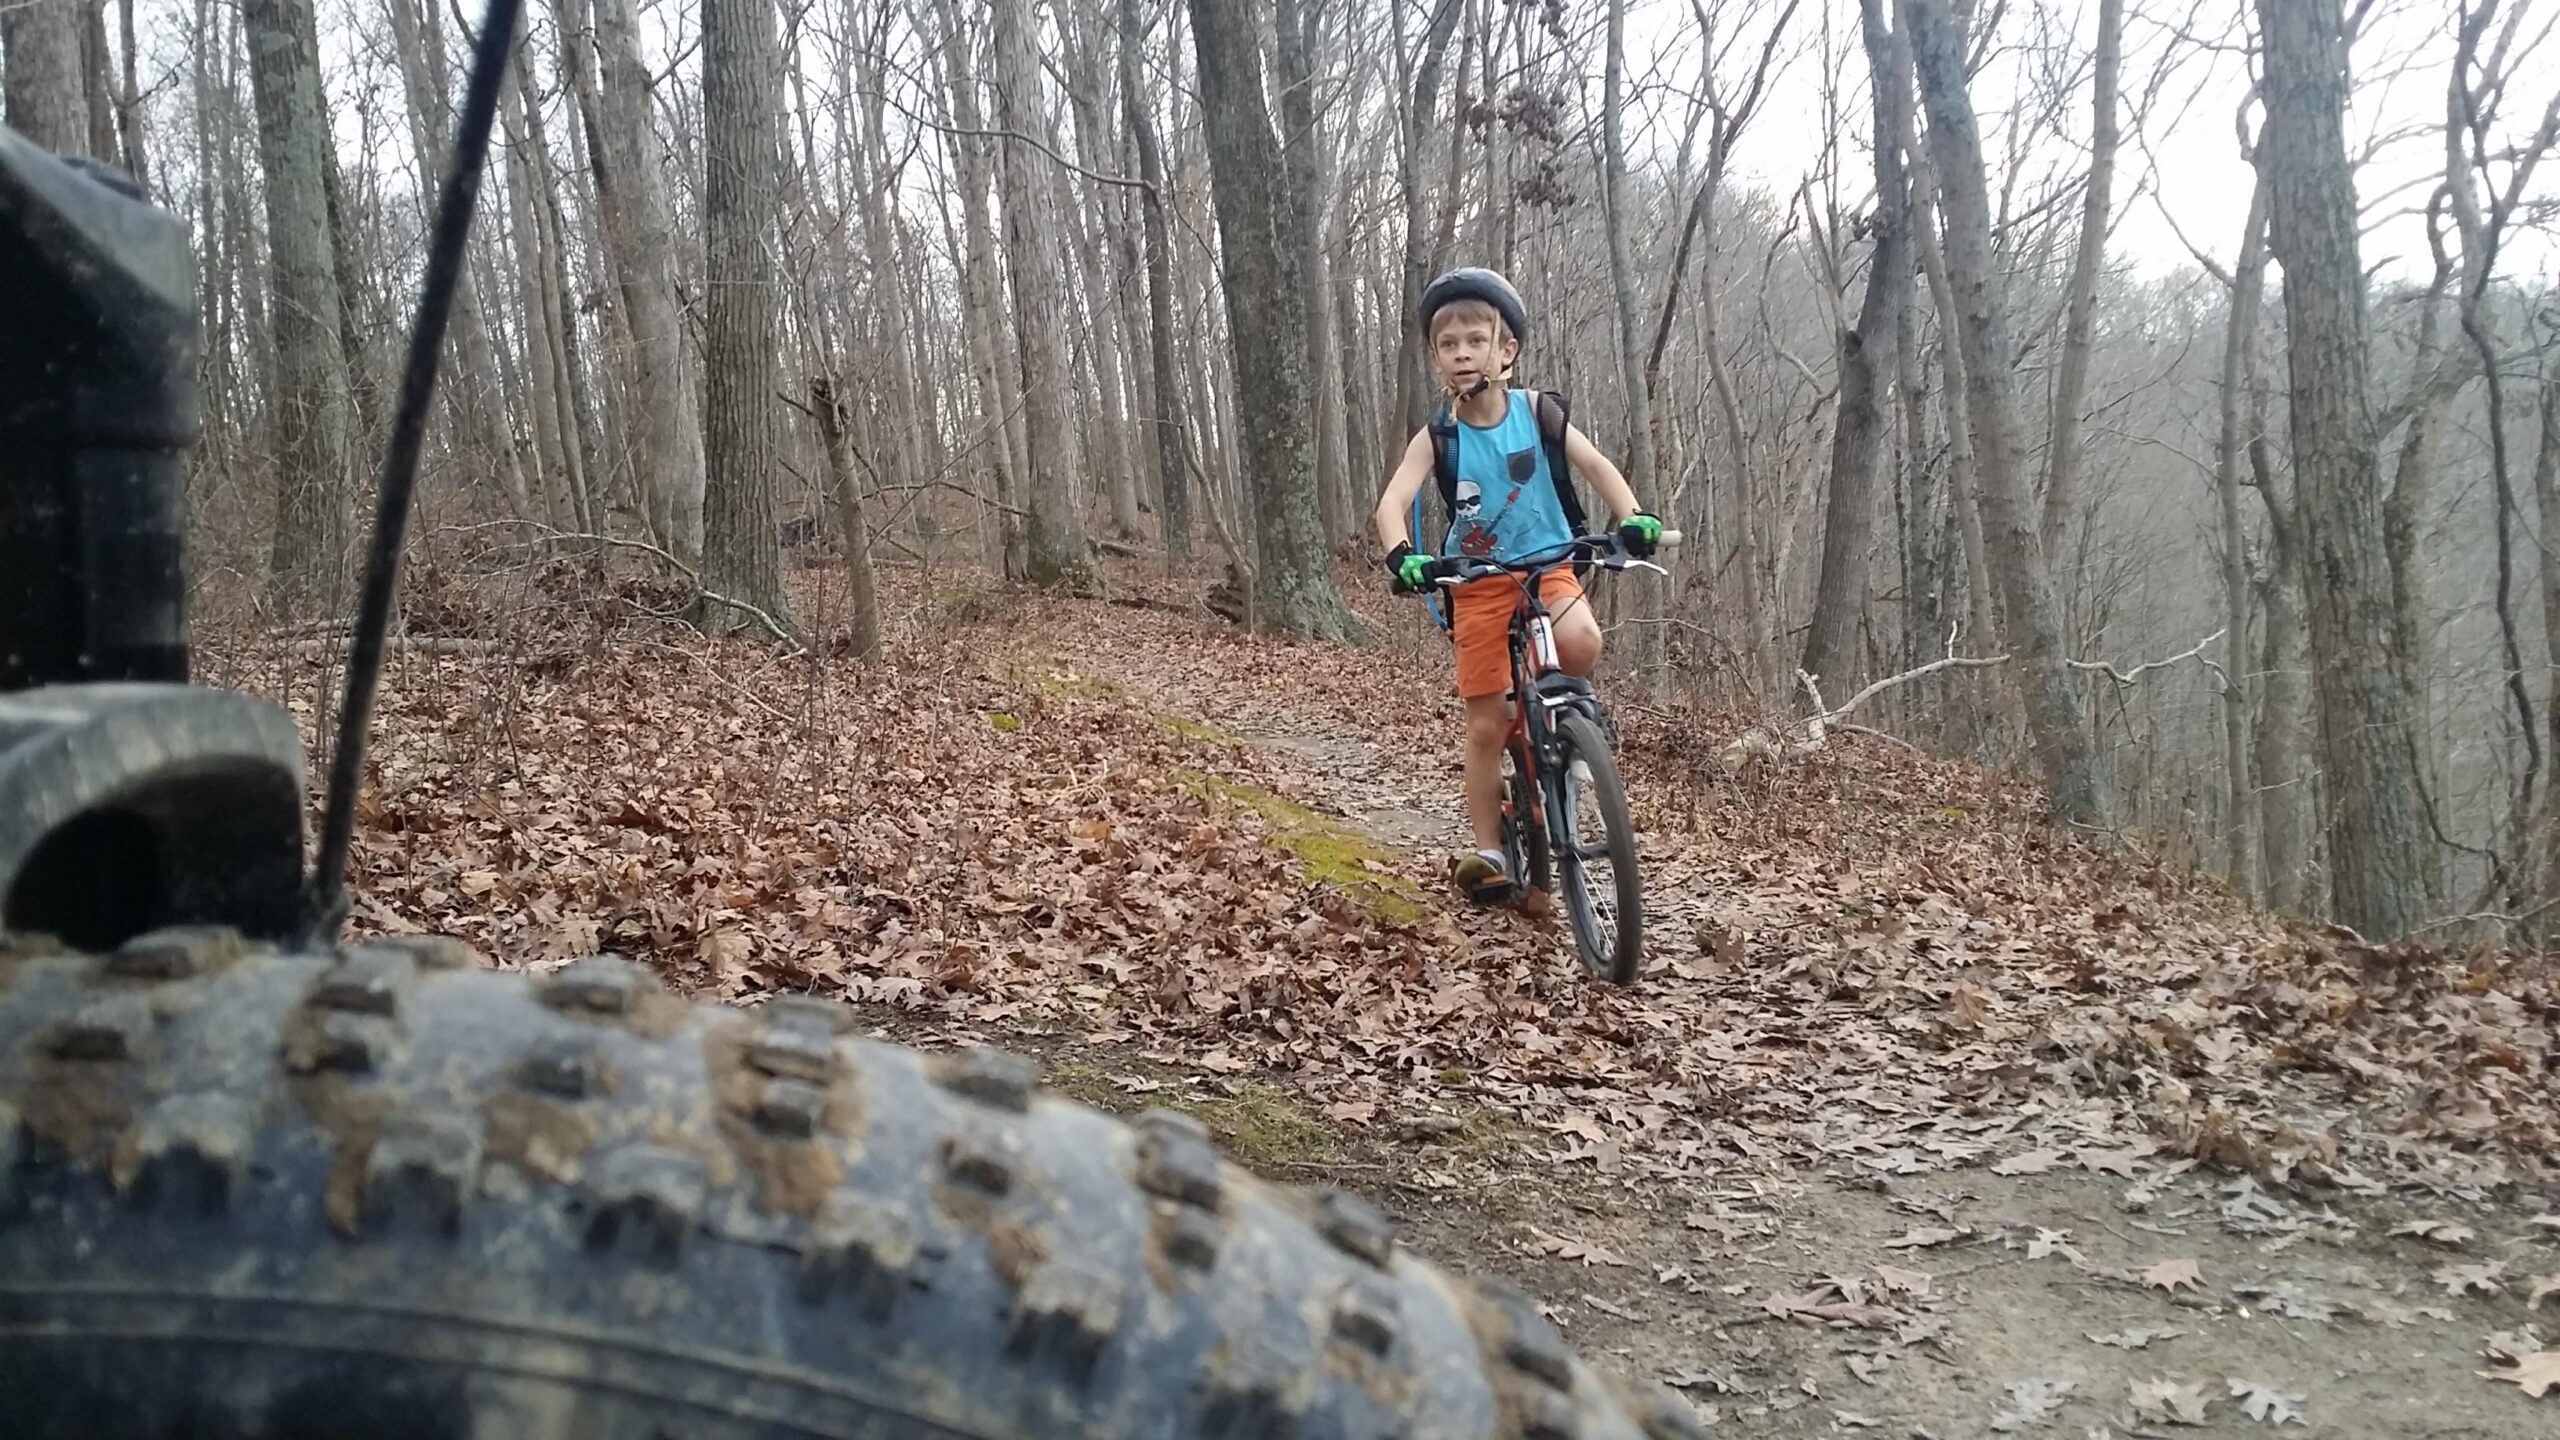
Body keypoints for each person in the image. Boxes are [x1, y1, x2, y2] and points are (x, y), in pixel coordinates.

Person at [1371, 267, 1664, 903]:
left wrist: (1634, 515)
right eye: (1449, 345)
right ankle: (1489, 848)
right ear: (1436, 359)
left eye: (1476, 340)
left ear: (1507, 351)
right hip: (1475, 583)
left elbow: (1596, 465)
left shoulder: (1538, 413)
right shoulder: (1438, 436)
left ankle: (1567, 726)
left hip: (1548, 564)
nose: (1462, 354)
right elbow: (1392, 502)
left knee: (1581, 641)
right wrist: (1405, 557)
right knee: (1485, 725)